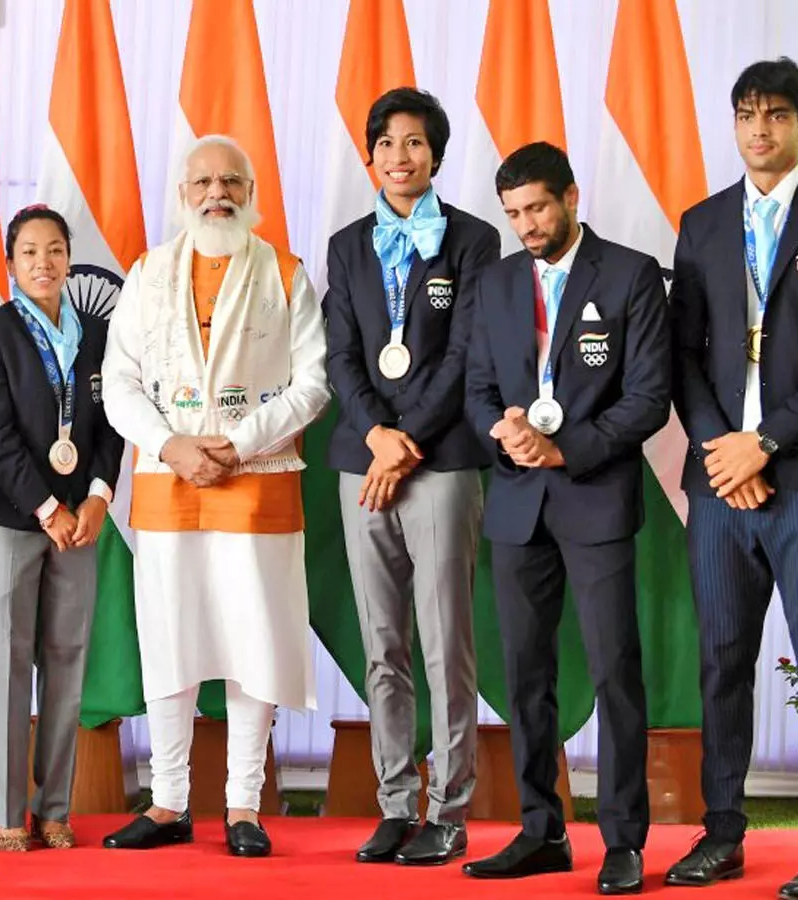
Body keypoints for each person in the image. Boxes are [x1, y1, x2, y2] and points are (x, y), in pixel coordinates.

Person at [666, 58, 798, 900]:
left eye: (778, 116)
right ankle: (722, 834)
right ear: (735, 124)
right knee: (721, 660)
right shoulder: (703, 222)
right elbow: (683, 353)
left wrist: (768, 444)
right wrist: (724, 448)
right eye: (748, 115)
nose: (761, 129)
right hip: (720, 480)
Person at [100, 135, 328, 858]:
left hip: (255, 488)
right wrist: (172, 447)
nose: (216, 193)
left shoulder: (286, 274)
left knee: (252, 643)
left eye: (231, 180)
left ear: (253, 191)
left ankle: (242, 807)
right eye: (202, 181)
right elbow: (119, 381)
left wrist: (240, 442)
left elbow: (313, 383)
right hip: (170, 488)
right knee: (169, 644)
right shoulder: (147, 274)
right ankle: (168, 803)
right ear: (182, 194)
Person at [461, 142, 669, 895]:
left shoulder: (632, 275)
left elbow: (648, 397)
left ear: (572, 197)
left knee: (616, 671)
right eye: (514, 213)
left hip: (594, 496)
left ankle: (623, 840)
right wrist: (505, 432)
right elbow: (478, 385)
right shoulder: (497, 282)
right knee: (525, 676)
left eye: (539, 208)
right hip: (517, 503)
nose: (527, 225)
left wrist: (565, 449)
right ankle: (540, 831)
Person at [322, 87, 498, 866]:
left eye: (415, 143)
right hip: (365, 465)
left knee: (444, 639)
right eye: (387, 143)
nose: (400, 156)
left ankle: (448, 808)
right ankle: (395, 802)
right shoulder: (347, 245)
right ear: (370, 155)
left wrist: (408, 440)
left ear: (436, 154)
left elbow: (468, 354)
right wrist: (376, 435)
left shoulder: (473, 241)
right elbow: (343, 354)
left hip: (442, 463)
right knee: (383, 644)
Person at [0, 205, 124, 852]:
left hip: (82, 523)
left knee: (66, 662)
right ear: (10, 265)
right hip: (14, 516)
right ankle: (6, 812)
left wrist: (97, 496)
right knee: (8, 661)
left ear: (69, 256)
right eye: (29, 252)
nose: (43, 262)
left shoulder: (96, 333)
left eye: (54, 250)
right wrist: (45, 507)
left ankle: (54, 807)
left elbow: (115, 421)